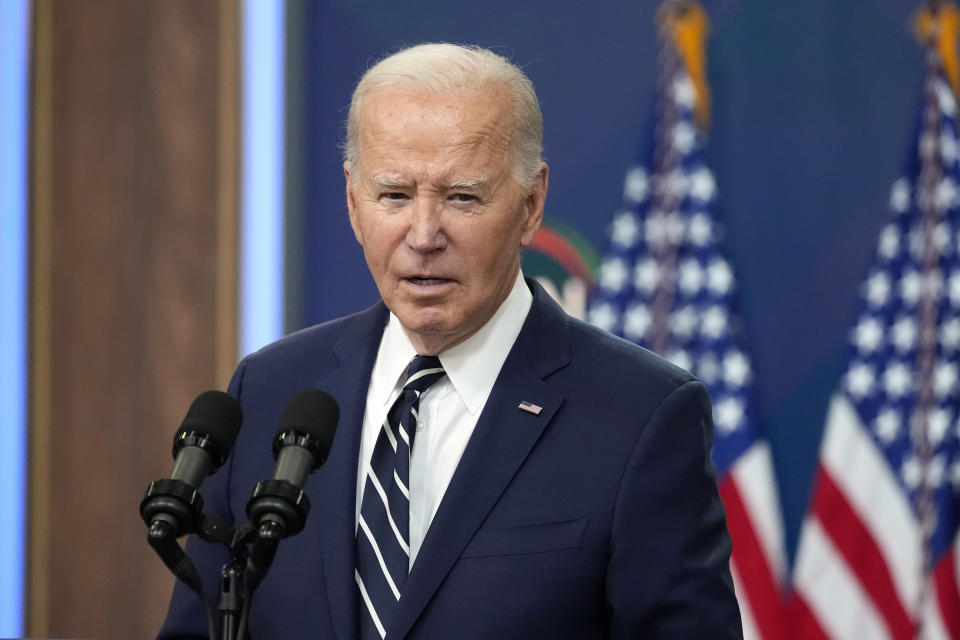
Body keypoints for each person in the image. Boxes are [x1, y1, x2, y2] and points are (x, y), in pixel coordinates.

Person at [158, 43, 742, 639]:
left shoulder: (640, 416)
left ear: (531, 203)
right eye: (395, 196)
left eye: (462, 197)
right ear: (353, 202)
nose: (424, 235)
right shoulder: (271, 390)